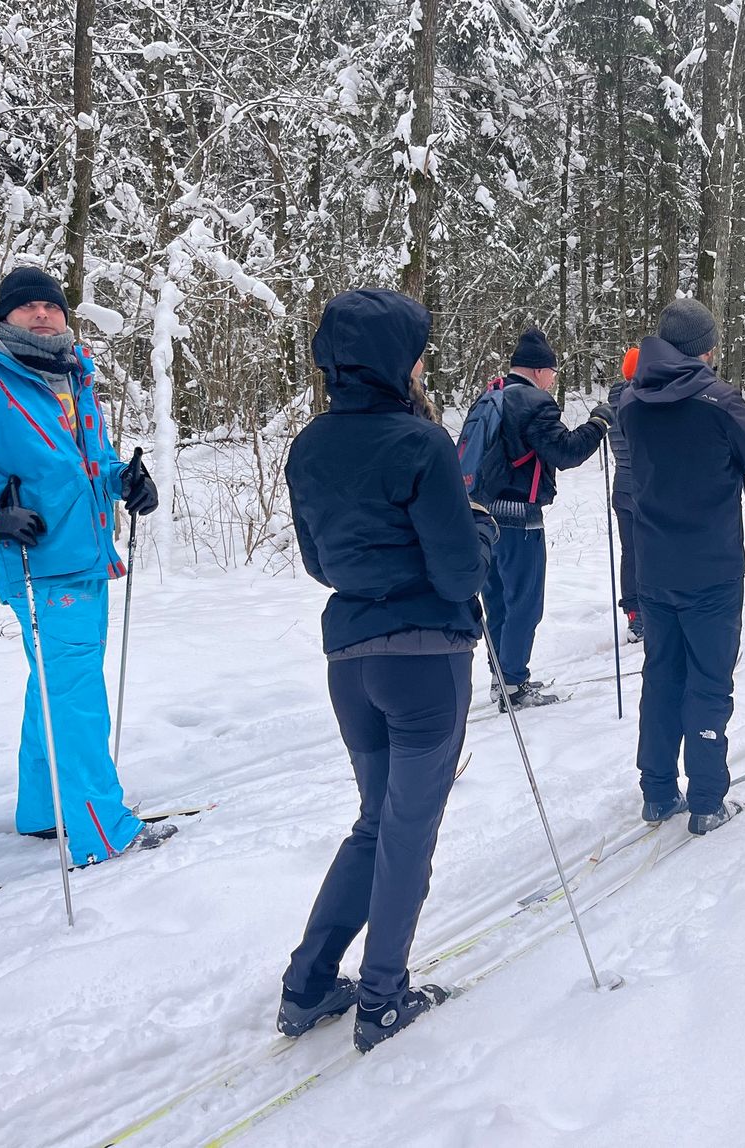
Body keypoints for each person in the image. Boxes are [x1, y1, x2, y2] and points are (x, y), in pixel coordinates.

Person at [277, 289, 497, 1053]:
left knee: (376, 823)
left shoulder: (309, 446)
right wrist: (482, 532)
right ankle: (383, 998)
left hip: (351, 661)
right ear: (395, 359)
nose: (424, 361)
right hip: (425, 663)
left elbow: (320, 562)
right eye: (417, 349)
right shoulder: (421, 442)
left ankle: (308, 983)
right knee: (406, 832)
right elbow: (459, 573)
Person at [0, 266, 167, 866]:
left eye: (52, 305)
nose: (42, 314)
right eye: (27, 306)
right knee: (76, 696)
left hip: (86, 556)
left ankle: (45, 809)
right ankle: (102, 830)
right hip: (38, 560)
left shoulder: (72, 374)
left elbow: (88, 460)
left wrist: (123, 480)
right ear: (4, 316)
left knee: (54, 684)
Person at [617, 298, 745, 836]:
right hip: (711, 567)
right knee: (709, 680)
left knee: (662, 676)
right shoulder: (718, 400)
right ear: (705, 348)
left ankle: (657, 791)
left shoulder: (631, 400)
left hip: (655, 564)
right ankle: (707, 799)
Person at [479, 328, 611, 709]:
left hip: (483, 520)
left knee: (497, 601)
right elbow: (565, 451)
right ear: (538, 370)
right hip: (520, 521)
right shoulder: (534, 402)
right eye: (552, 371)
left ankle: (501, 675)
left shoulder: (491, 396)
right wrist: (598, 424)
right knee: (524, 604)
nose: (553, 379)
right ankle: (514, 685)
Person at [608, 347, 643, 643]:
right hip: (644, 490)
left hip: (621, 488)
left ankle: (634, 614)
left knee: (629, 553)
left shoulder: (613, 402)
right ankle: (648, 613)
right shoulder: (645, 401)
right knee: (650, 552)